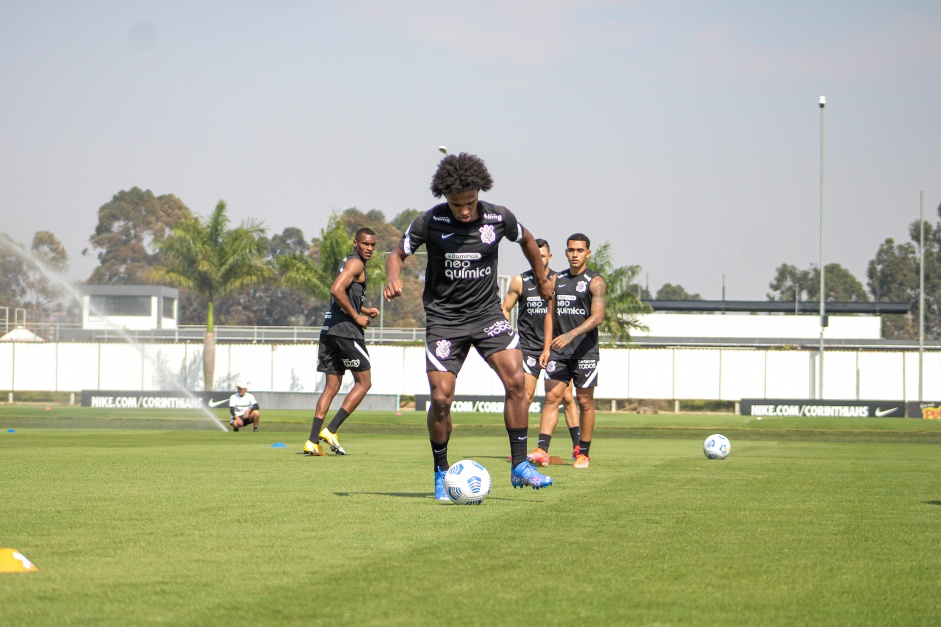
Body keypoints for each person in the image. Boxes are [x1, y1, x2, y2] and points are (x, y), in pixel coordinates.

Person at [384, 152, 555, 501]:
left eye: (470, 203)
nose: (464, 211)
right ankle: (440, 471)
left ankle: (520, 465)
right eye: (457, 204)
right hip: (445, 321)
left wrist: (540, 277)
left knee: (517, 380)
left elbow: (527, 240)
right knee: (441, 398)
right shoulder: (429, 222)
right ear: (445, 197)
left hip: (487, 316)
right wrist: (393, 278)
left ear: (480, 191)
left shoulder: (498, 217)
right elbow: (396, 254)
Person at [501, 238, 580, 464]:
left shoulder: (559, 281)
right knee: (523, 396)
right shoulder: (520, 281)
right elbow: (505, 309)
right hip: (527, 348)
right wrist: (506, 335)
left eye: (543, 255)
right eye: (536, 255)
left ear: (550, 257)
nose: (540, 259)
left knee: (565, 397)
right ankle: (521, 449)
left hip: (555, 349)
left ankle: (578, 447)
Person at [304, 228, 379, 456]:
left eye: (373, 245)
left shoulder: (347, 262)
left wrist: (363, 308)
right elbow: (336, 290)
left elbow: (344, 294)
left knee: (332, 386)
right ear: (355, 243)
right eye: (365, 244)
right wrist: (357, 317)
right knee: (364, 383)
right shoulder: (356, 264)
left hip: (329, 329)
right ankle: (331, 430)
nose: (369, 248)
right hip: (347, 332)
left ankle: (311, 442)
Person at [540, 234, 606, 469]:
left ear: (588, 253)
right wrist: (546, 347)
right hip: (558, 352)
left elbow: (597, 317)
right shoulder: (556, 280)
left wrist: (571, 335)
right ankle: (541, 450)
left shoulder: (595, 281)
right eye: (571, 250)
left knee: (585, 401)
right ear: (566, 253)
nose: (575, 254)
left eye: (580, 250)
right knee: (551, 397)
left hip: (585, 351)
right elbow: (549, 315)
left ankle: (583, 453)